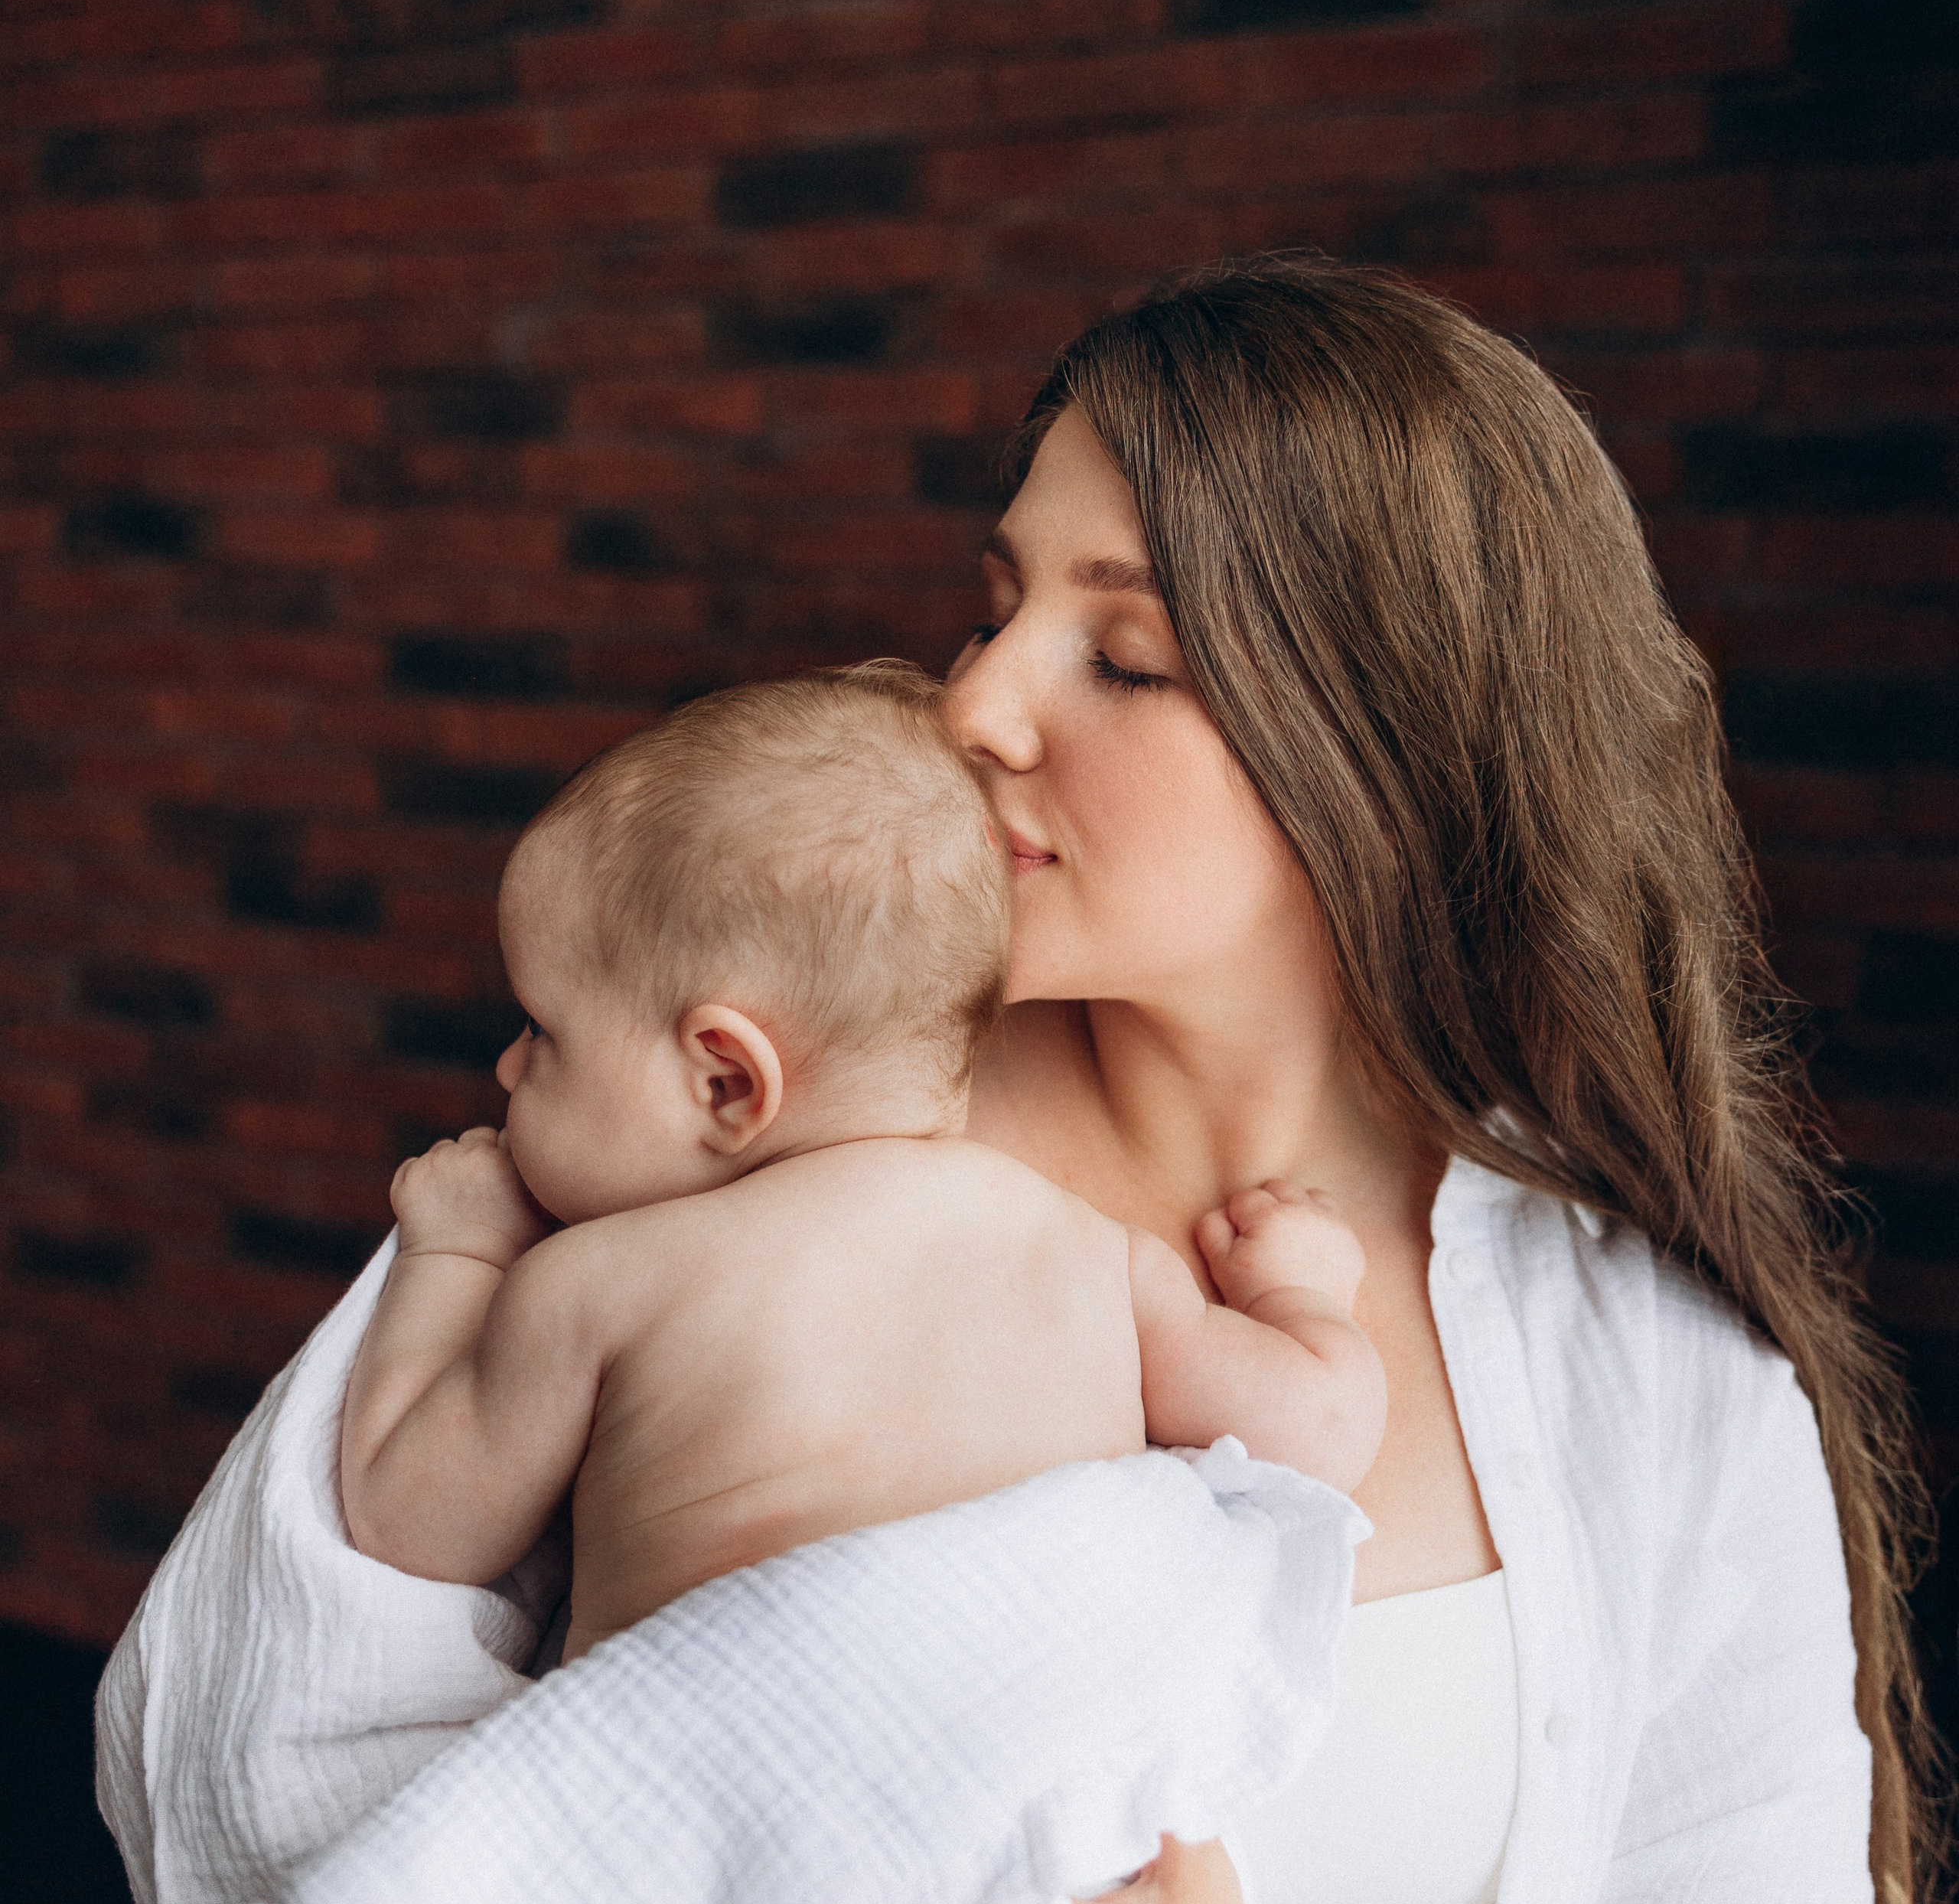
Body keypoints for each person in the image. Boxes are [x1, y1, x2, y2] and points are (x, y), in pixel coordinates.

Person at [833, 252, 1932, 1904]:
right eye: (998, 600)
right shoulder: (769, 1119)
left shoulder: (1661, 1390)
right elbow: (246, 1758)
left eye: (1123, 656)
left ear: (1387, 736)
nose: (979, 704)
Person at [338, 663, 1384, 1651]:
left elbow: (404, 1524)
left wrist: (457, 1255)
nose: (509, 1067)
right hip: (1024, 1787)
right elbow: (1317, 1434)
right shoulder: (1083, 1249)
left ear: (727, 1082)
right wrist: (1300, 1291)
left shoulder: (589, 1283)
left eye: (544, 1031)